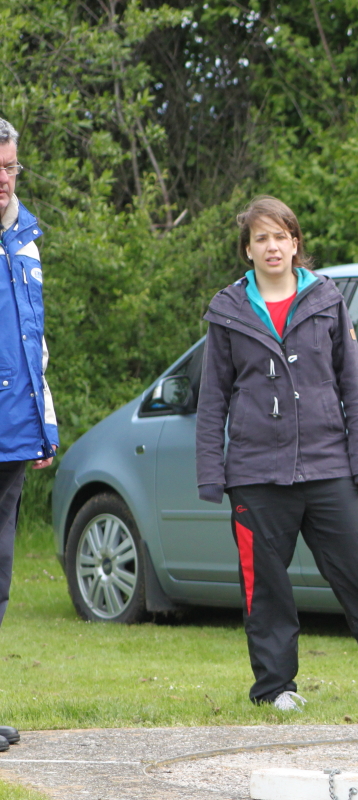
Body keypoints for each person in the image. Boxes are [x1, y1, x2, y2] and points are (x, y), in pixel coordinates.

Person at [196, 196, 358, 712]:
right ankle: (274, 689)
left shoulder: (326, 299)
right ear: (247, 250)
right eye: (261, 238)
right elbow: (212, 398)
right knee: (266, 588)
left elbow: (354, 384)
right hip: (255, 474)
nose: (272, 247)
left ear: (295, 244)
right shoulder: (227, 311)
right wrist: (210, 474)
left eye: (280, 237)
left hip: (329, 465)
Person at [0, 117, 56, 753]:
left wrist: (46, 422)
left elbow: (33, 341)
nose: (4, 178)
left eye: (10, 166)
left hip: (15, 433)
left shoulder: (26, 238)